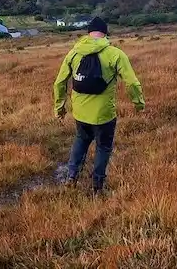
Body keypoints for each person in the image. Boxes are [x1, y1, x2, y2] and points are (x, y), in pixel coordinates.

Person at [53, 17, 144, 195]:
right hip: (104, 115)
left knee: (81, 139)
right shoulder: (115, 54)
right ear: (105, 33)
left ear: (89, 33)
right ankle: (97, 186)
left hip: (80, 113)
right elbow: (132, 83)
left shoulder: (74, 53)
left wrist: (59, 108)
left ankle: (71, 176)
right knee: (103, 147)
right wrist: (138, 104)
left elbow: (59, 83)